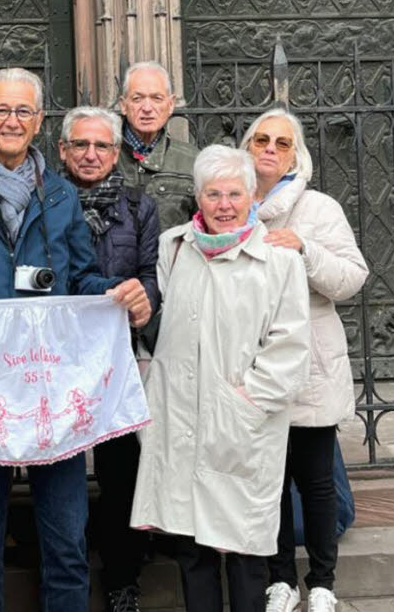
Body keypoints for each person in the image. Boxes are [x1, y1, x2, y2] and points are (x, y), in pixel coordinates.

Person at [0, 68, 152, 612]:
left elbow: (81, 278)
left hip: (50, 390)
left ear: (39, 122)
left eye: (23, 112)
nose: (12, 121)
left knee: (65, 540)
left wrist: (119, 294)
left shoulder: (58, 195)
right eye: (1, 111)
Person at [130, 145, 311, 612]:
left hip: (242, 425)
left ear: (252, 196)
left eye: (234, 193)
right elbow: (163, 327)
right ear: (198, 197)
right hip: (183, 418)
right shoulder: (175, 248)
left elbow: (289, 346)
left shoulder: (279, 260)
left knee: (244, 547)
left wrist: (245, 402)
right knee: (192, 547)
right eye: (213, 194)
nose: (224, 205)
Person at [240, 109, 368, 612]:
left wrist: (304, 248)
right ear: (248, 148)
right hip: (252, 364)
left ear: (297, 156)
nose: (270, 149)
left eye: (283, 143)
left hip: (309, 363)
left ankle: (322, 582)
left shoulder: (318, 208)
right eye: (261, 140)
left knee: (315, 481)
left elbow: (351, 278)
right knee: (265, 480)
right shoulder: (230, 201)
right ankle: (279, 578)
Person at [57, 106, 160, 612]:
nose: (91, 155)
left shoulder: (139, 205)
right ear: (63, 151)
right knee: (61, 469)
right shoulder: (44, 202)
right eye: (81, 145)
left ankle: (123, 577)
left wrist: (144, 303)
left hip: (116, 357)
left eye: (101, 146)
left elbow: (150, 273)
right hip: (55, 358)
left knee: (122, 468)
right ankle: (66, 571)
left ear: (116, 152)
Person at [117, 61, 200, 230]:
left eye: (157, 98)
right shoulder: (101, 157)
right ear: (123, 105)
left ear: (170, 105)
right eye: (137, 98)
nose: (147, 108)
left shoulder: (193, 161)